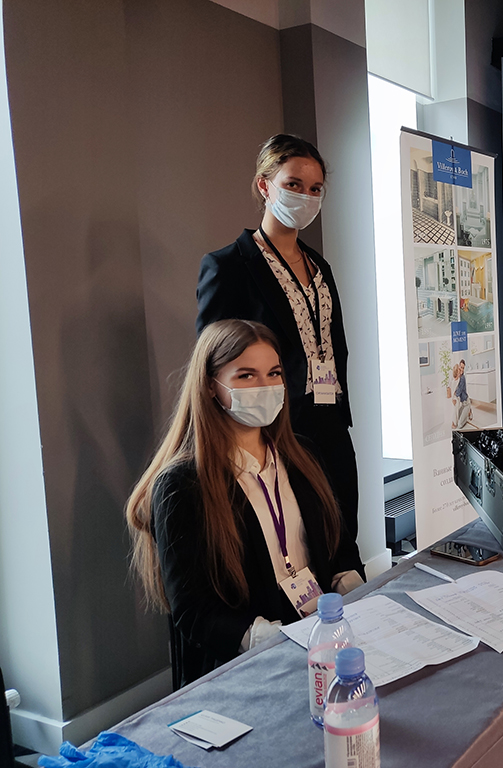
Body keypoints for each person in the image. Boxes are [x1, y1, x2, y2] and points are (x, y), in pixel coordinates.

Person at [126, 320, 363, 689]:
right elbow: (193, 611)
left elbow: (339, 546)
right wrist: (268, 640)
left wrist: (353, 590)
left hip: (321, 640)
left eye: (274, 373)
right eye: (246, 376)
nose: (265, 387)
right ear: (211, 386)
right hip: (247, 667)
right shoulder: (183, 485)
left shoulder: (303, 456)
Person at [196, 134, 361, 555]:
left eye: (315, 188)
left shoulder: (319, 266)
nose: (306, 196)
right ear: (264, 185)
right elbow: (212, 359)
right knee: (295, 547)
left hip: (331, 422)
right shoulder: (229, 266)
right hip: (274, 429)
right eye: (293, 184)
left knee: (343, 541)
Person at [452, 359, 471, 428]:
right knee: (457, 421)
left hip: (466, 403)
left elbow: (459, 391)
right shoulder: (458, 377)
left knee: (459, 425)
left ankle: (468, 410)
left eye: (463, 368)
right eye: (461, 367)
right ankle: (469, 411)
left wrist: (453, 397)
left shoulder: (462, 378)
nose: (462, 370)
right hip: (463, 404)